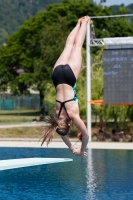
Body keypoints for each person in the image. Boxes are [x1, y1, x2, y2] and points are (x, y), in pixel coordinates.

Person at [41, 16, 89, 157]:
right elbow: (60, 132)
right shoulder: (56, 116)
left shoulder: (72, 116)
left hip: (69, 77)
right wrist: (71, 148)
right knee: (68, 46)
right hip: (57, 76)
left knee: (77, 46)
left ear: (68, 125)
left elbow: (86, 135)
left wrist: (80, 150)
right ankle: (77, 23)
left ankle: (85, 22)